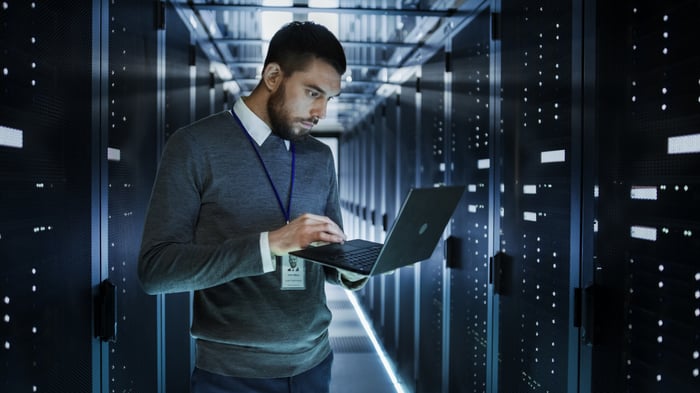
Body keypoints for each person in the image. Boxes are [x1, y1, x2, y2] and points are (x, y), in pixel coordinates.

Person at [137, 21, 367, 393]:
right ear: (273, 76)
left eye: (329, 98)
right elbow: (156, 270)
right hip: (231, 376)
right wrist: (270, 244)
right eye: (312, 92)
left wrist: (354, 268)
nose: (321, 112)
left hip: (315, 364)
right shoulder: (194, 146)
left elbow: (326, 257)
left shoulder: (320, 157)